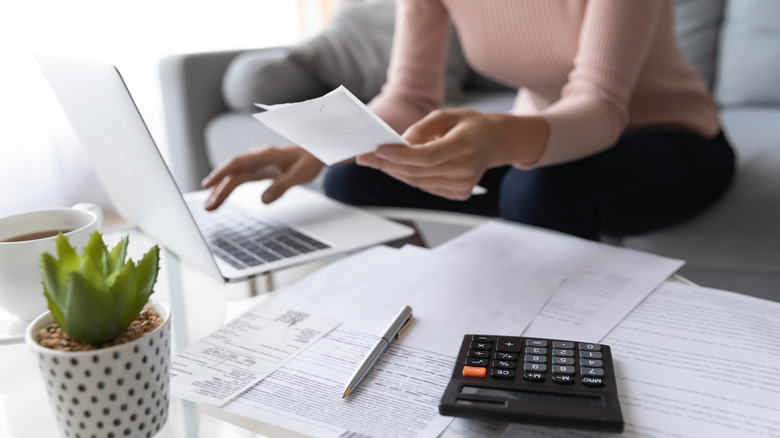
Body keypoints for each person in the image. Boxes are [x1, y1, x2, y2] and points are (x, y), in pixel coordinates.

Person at [202, 0, 735, 241]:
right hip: (544, 142)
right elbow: (409, 95)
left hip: (671, 139)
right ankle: (410, 323)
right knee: (354, 176)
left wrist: (501, 135)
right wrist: (317, 146)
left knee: (537, 193)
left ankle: (543, 365)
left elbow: (600, 106)